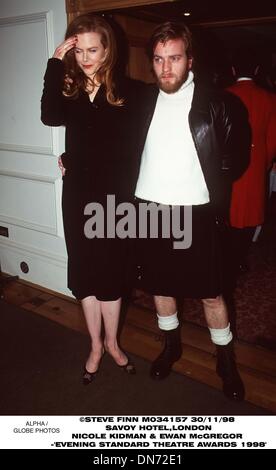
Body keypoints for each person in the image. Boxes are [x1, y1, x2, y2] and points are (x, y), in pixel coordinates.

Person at [133, 22, 250, 401]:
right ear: (151, 62)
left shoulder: (219, 103)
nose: (166, 68)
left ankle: (225, 360)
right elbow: (109, 146)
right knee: (161, 287)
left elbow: (236, 160)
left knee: (212, 294)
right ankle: (171, 346)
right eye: (159, 59)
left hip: (197, 213)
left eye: (175, 58)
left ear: (191, 60)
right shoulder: (139, 103)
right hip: (150, 211)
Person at [41, 14, 137, 384]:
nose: (84, 57)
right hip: (78, 195)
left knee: (111, 272)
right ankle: (95, 346)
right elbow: (49, 116)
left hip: (115, 198)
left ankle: (113, 344)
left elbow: (143, 145)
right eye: (77, 50)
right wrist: (54, 63)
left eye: (92, 49)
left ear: (108, 49)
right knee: (84, 270)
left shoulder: (130, 92)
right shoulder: (69, 91)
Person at [227, 51, 276, 275]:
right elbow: (273, 139)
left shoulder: (224, 94)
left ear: (233, 71)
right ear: (256, 71)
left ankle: (229, 257)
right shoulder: (269, 98)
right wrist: (263, 163)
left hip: (227, 165)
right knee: (251, 214)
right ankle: (239, 257)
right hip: (255, 163)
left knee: (229, 212)